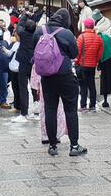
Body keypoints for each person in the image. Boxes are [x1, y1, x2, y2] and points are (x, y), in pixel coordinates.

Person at [36, 8, 88, 157]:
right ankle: (74, 146)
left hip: (47, 77)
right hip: (65, 75)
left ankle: (52, 146)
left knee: (50, 109)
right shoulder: (66, 33)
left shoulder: (39, 31)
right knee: (70, 110)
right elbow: (74, 53)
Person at [75, 18, 104, 112]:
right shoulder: (99, 38)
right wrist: (95, 61)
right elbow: (100, 54)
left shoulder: (81, 37)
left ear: (85, 26)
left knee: (83, 85)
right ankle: (92, 106)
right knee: (92, 85)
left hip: (82, 65)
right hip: (92, 65)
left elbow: (77, 52)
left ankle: (83, 106)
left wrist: (76, 62)